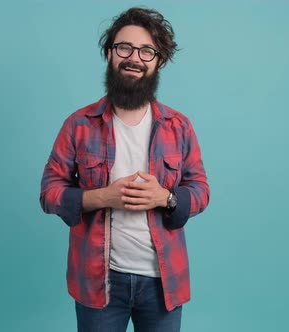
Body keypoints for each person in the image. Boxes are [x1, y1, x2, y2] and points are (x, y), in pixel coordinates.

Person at [40, 7, 209, 332]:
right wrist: (102, 196)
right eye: (124, 48)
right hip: (98, 280)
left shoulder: (179, 127)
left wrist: (166, 197)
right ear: (109, 54)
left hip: (163, 281)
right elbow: (49, 193)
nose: (134, 57)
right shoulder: (78, 125)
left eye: (146, 51)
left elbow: (201, 190)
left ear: (158, 61)